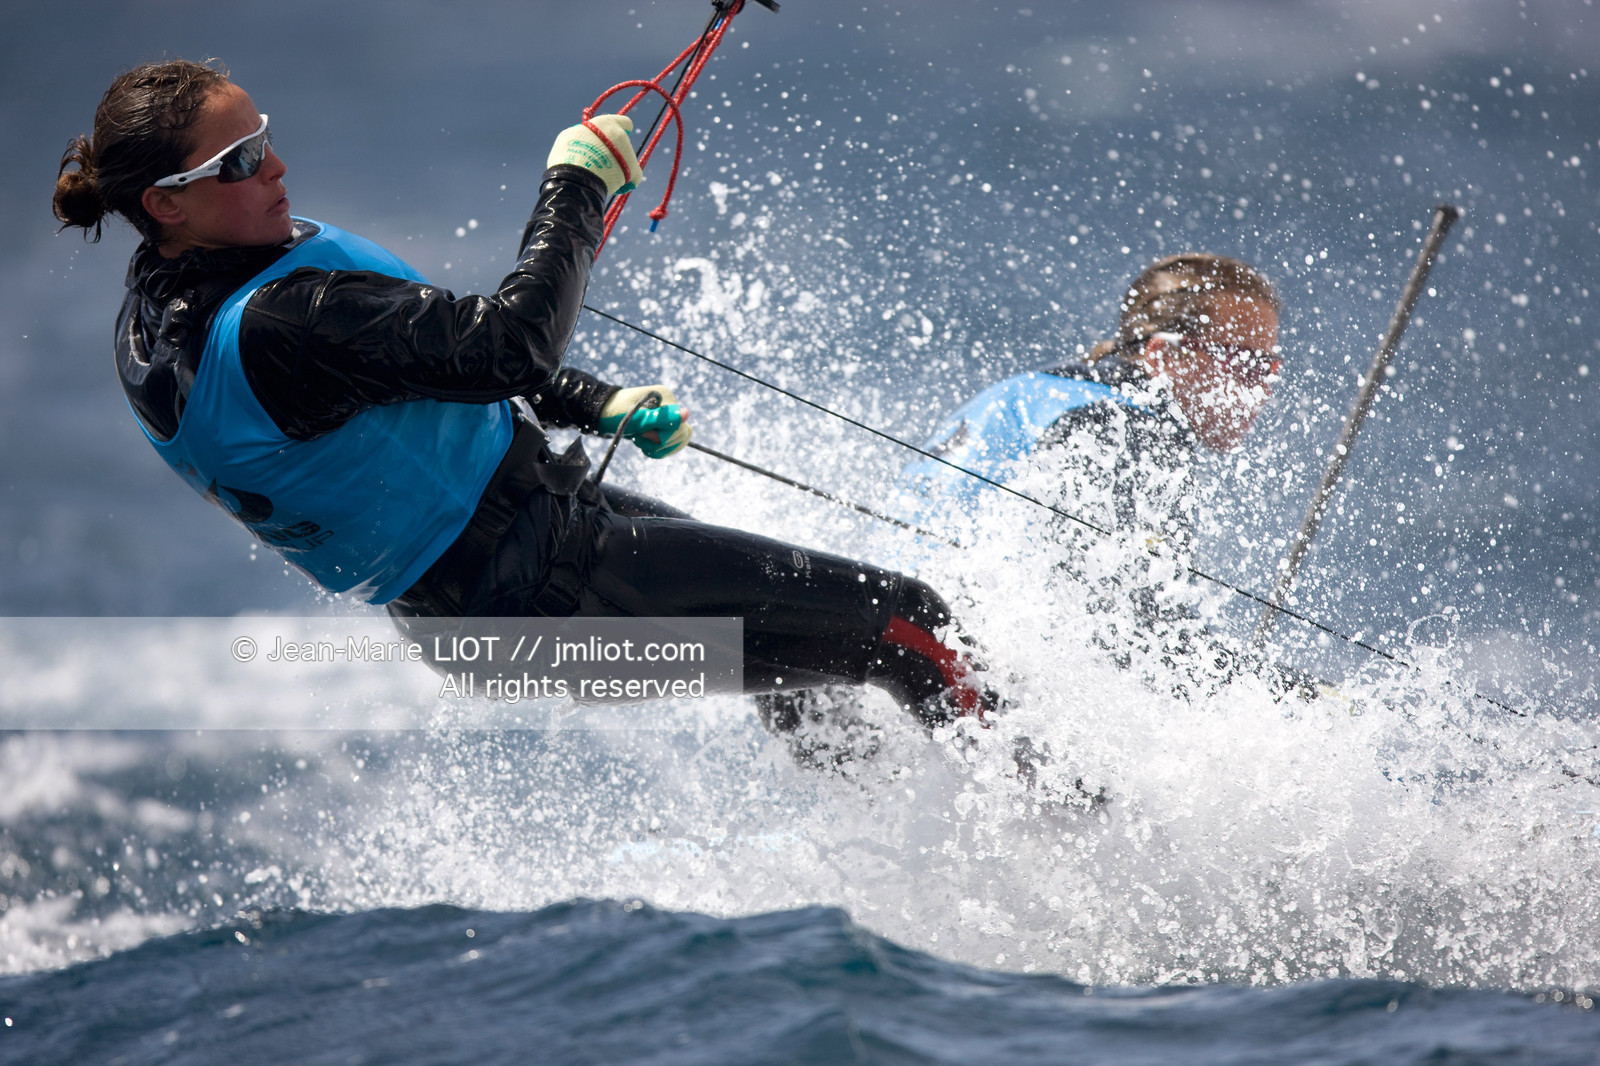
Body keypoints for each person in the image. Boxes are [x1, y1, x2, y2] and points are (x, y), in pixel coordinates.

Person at [52, 58, 991, 726]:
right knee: (910, 622)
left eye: (264, 139)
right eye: (240, 163)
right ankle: (1071, 815)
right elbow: (503, 347)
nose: (276, 167)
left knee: (822, 675)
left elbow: (410, 375)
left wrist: (589, 404)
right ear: (166, 205)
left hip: (493, 598)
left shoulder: (170, 308)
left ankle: (882, 899)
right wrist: (574, 187)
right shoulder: (278, 321)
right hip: (542, 585)